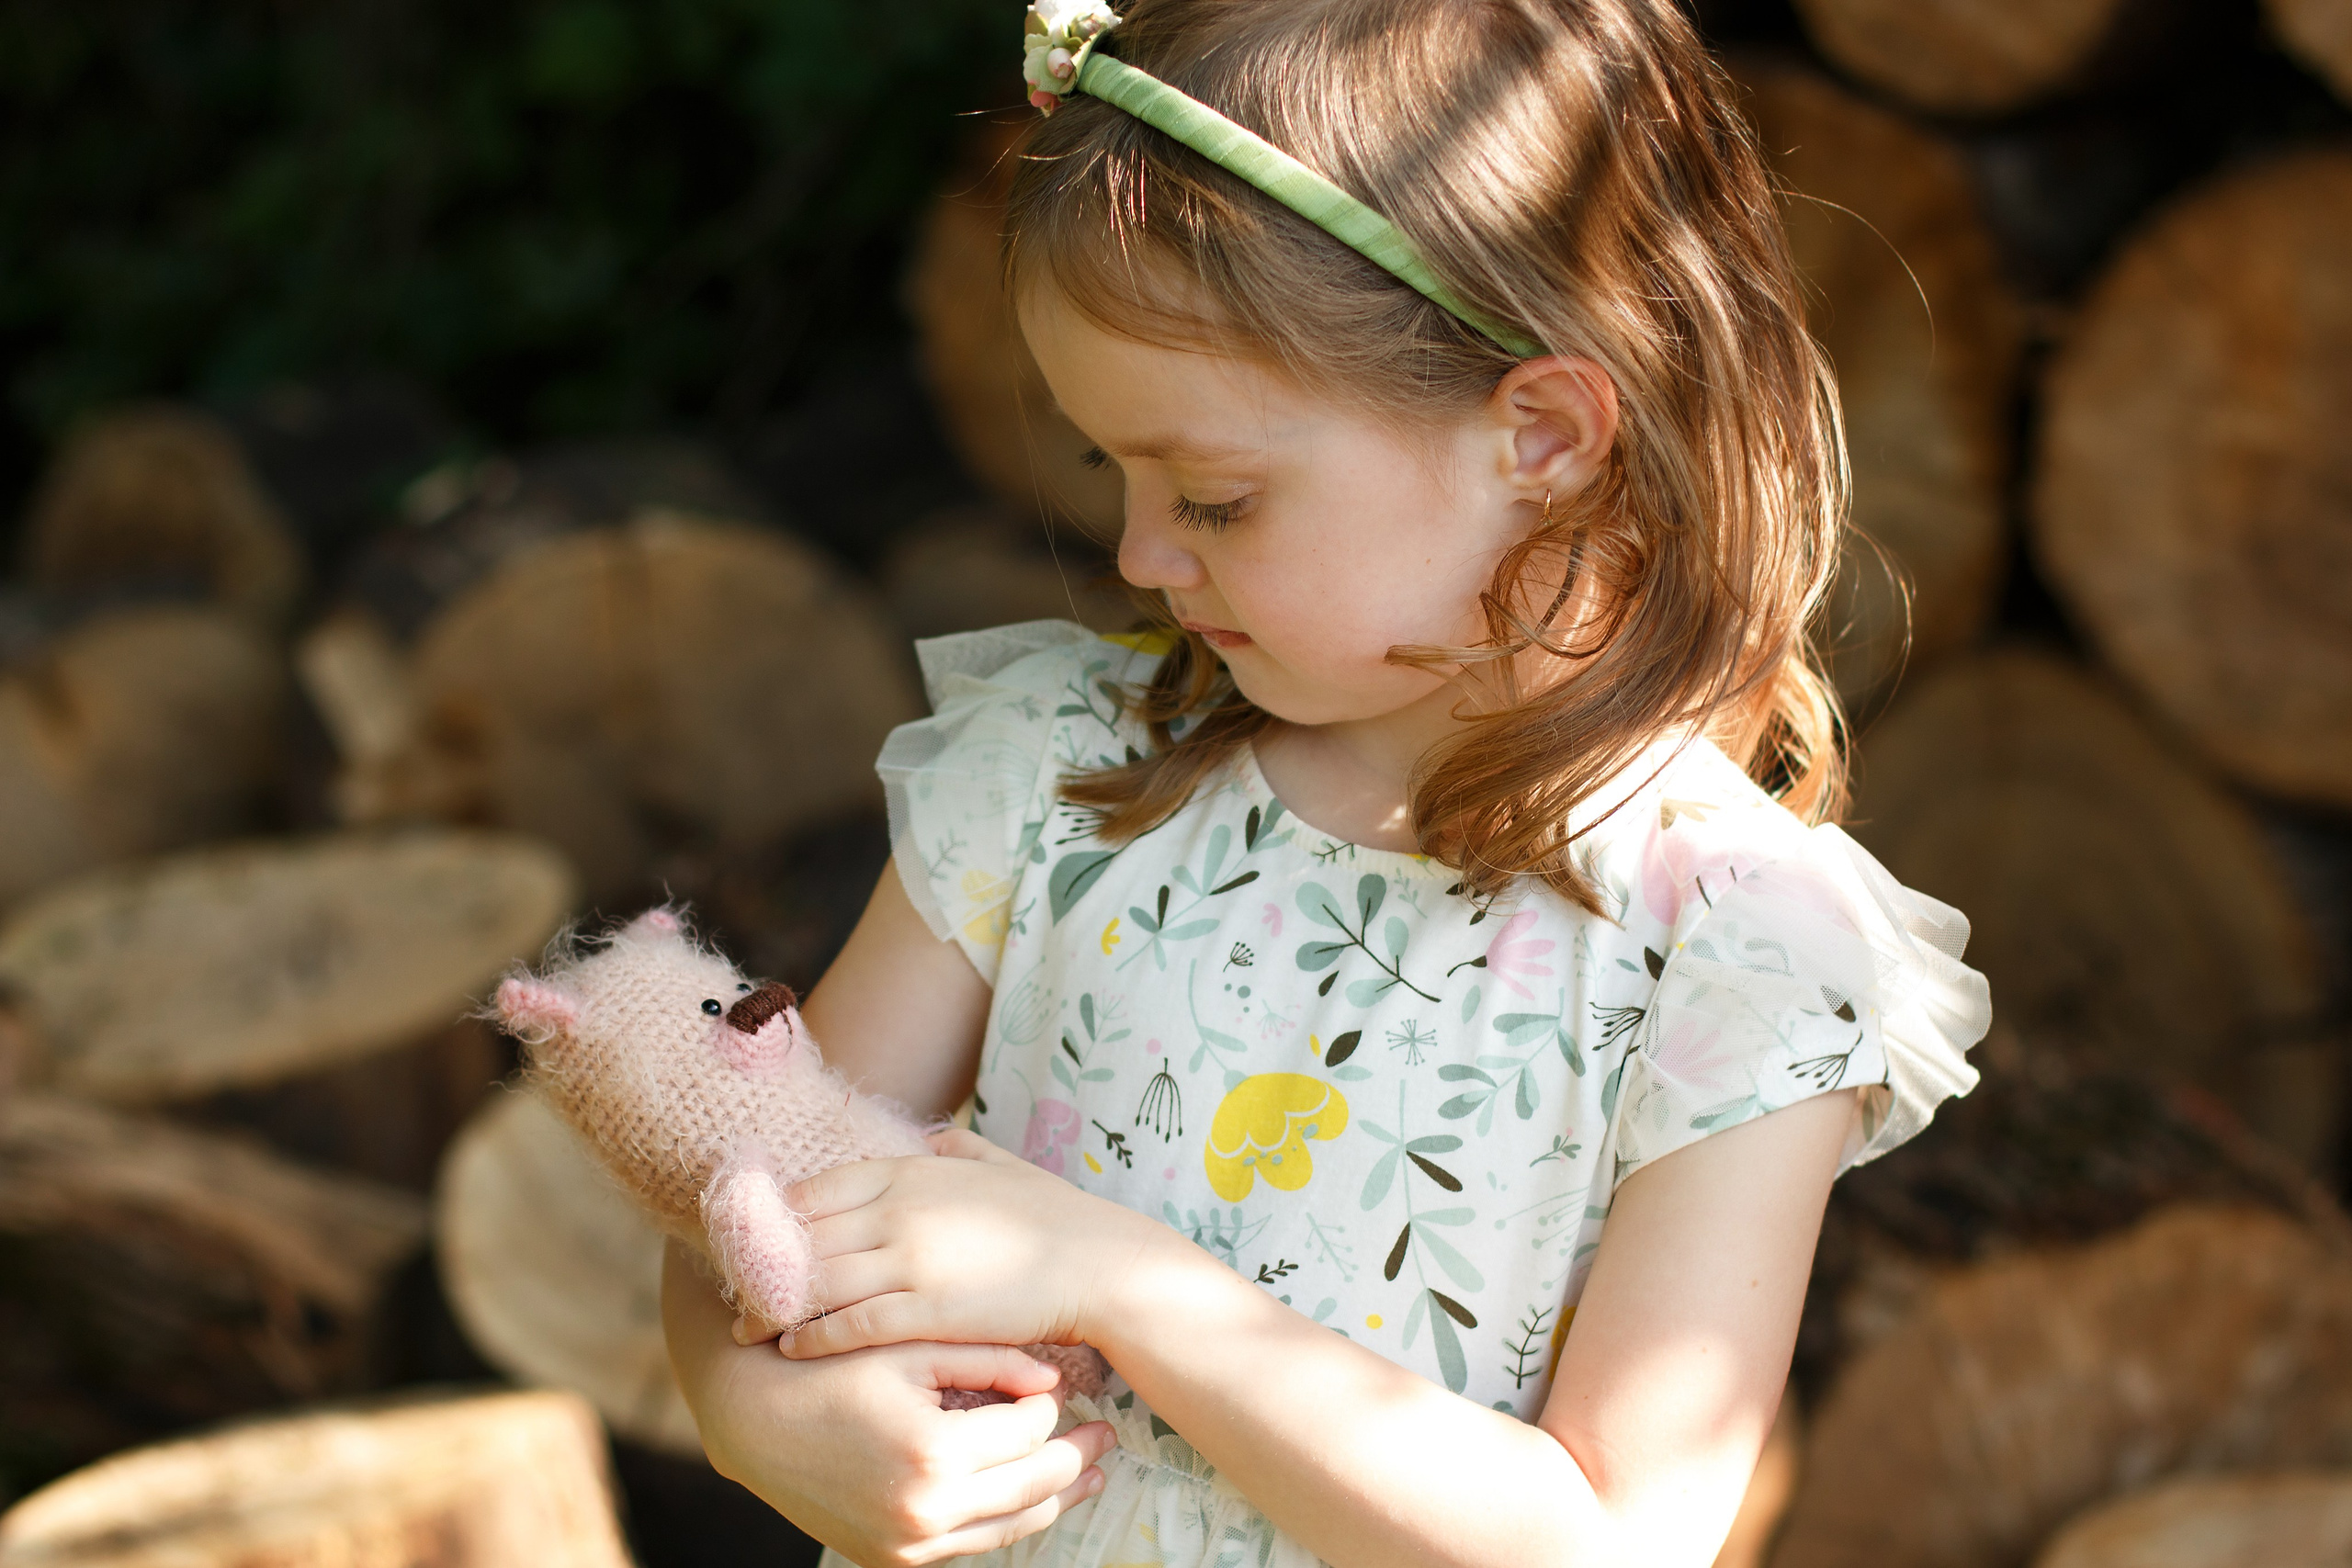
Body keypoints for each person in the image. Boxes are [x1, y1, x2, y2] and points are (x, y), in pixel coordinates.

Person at [662, 2, 1993, 1564]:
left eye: (1215, 497)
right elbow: (753, 1202)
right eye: (1111, 470)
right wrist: (753, 1417)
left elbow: (1614, 1537)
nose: (1140, 555)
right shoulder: (1063, 775)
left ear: (1541, 435)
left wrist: (1118, 1285)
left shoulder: (1733, 946)